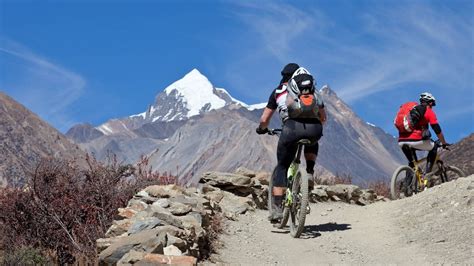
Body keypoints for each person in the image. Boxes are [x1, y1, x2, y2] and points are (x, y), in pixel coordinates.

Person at [256, 63, 326, 223]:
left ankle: (278, 209)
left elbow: (264, 119)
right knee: (311, 138)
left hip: (290, 130)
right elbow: (323, 117)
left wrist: (261, 129)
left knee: (282, 166)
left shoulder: (278, 91)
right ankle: (309, 171)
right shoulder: (312, 92)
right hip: (314, 129)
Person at [397, 92, 450, 193]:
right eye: (432, 104)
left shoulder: (412, 110)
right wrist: (443, 143)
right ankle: (427, 176)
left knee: (412, 164)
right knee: (434, 148)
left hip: (401, 141)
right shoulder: (428, 111)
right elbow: (437, 129)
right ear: (430, 103)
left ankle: (406, 190)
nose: (432, 107)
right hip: (415, 140)